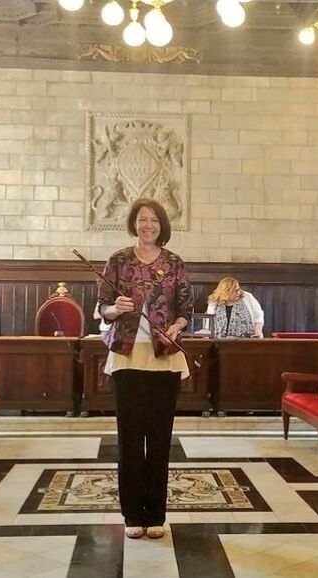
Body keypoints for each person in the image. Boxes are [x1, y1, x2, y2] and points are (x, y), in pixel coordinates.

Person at [98, 198, 192, 541]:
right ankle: (132, 515)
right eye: (142, 219)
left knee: (160, 439)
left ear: (162, 224)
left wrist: (176, 328)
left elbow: (185, 309)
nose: (148, 225)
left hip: (164, 356)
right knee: (130, 439)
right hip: (127, 356)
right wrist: (115, 308)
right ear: (133, 224)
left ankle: (156, 515)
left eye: (154, 219)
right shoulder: (118, 260)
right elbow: (101, 308)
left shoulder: (174, 263)